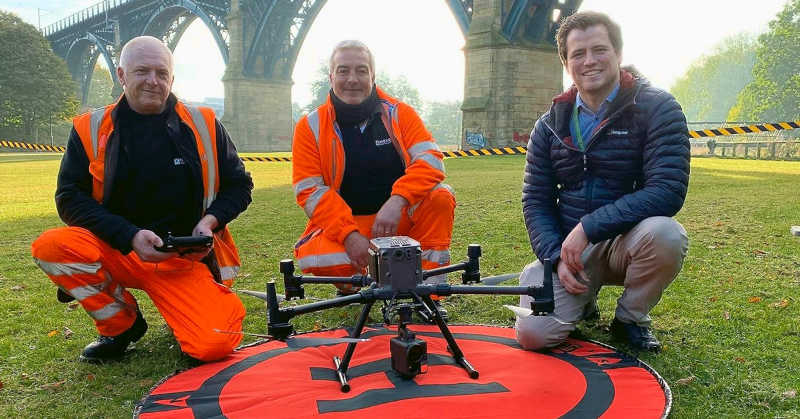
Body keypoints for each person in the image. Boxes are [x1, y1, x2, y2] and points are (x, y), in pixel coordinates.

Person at [30, 36, 253, 363]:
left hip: (181, 258)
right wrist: (129, 236)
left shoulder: (204, 124)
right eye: (142, 71)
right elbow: (69, 198)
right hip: (118, 248)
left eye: (162, 73)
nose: (153, 81)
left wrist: (210, 222)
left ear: (172, 79)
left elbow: (240, 185)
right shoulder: (89, 129)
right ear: (121, 75)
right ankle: (121, 326)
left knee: (213, 345)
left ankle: (189, 315)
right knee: (52, 246)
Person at [516, 11, 690, 352]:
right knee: (534, 336)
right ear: (566, 63)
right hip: (570, 251)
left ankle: (630, 318)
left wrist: (587, 228)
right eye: (578, 54)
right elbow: (535, 199)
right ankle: (575, 295)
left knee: (667, 235)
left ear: (619, 54)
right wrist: (555, 256)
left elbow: (667, 190)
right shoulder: (549, 124)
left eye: (599, 50)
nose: (589, 61)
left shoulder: (658, 107)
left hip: (628, 239)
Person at [291, 40, 455, 304]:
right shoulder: (309, 127)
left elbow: (432, 162)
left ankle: (427, 289)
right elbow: (310, 191)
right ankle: (350, 285)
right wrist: (349, 235)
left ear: (373, 76)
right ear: (331, 76)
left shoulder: (401, 114)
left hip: (397, 219)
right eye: (343, 71)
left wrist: (398, 199)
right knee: (316, 258)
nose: (352, 79)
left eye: (361, 70)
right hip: (350, 223)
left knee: (440, 196)